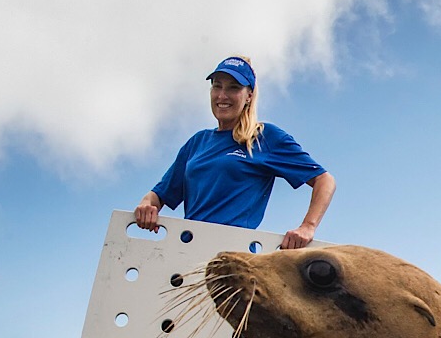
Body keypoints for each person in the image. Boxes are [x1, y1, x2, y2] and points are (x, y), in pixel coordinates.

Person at [134, 56, 336, 249]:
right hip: (187, 253)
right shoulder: (197, 142)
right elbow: (158, 195)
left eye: (234, 88)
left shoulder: (265, 137)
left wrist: (307, 227)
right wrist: (147, 205)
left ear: (249, 95)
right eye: (217, 86)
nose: (222, 95)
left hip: (233, 260)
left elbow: (324, 181)